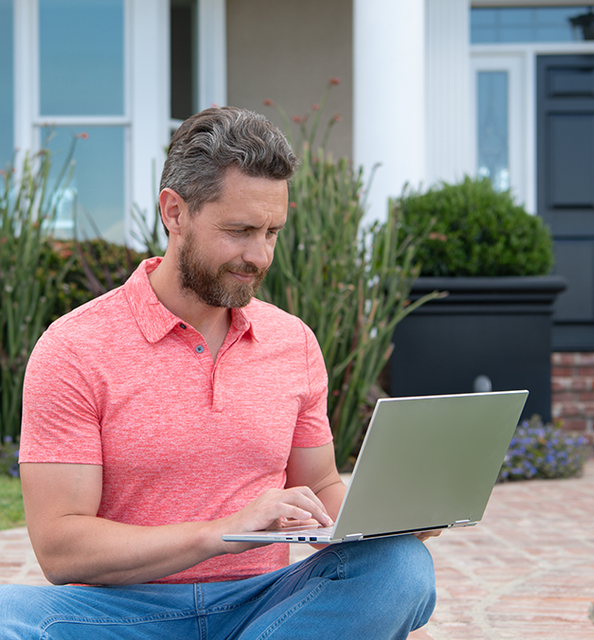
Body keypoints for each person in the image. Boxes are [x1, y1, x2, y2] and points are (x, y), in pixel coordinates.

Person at [1, 107, 437, 639]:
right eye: (239, 231)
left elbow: (320, 485)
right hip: (124, 614)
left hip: (265, 605)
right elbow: (62, 549)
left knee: (401, 568)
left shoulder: (292, 341)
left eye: (273, 231)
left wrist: (387, 518)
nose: (260, 255)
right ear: (174, 211)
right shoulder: (75, 347)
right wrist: (221, 533)